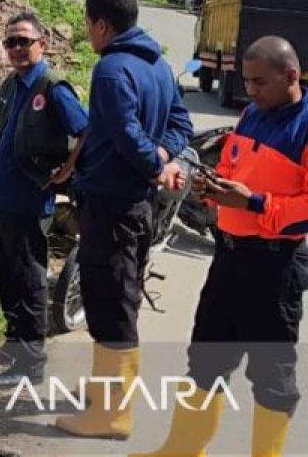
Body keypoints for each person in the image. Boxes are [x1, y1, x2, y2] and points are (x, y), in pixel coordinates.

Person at [132, 36, 307, 457]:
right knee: (206, 356)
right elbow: (229, 168)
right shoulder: (251, 115)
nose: (251, 90)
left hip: (274, 264)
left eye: (260, 82)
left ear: (292, 76)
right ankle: (183, 447)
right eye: (246, 81)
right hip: (229, 255)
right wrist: (210, 189)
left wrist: (253, 202)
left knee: (271, 374)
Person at [54, 0, 193, 439]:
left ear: (101, 24)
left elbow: (124, 134)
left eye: (87, 25)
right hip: (135, 206)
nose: (87, 34)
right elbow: (181, 125)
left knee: (109, 303)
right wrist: (166, 156)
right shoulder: (158, 65)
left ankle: (112, 415)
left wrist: (154, 162)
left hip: (113, 204)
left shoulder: (112, 70)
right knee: (121, 297)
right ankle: (108, 394)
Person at [0, 12, 88, 388]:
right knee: (7, 276)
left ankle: (31, 364)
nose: (18, 48)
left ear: (43, 43)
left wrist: (67, 170)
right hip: (4, 200)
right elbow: (0, 141)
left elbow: (85, 130)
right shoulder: (11, 85)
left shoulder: (52, 87)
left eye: (25, 40)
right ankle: (14, 346)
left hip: (30, 202)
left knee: (29, 280)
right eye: (11, 42)